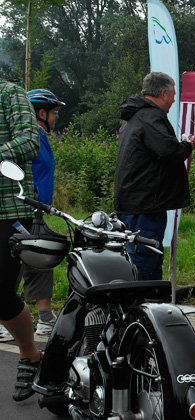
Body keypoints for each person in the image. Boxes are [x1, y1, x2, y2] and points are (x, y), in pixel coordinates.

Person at [114, 72, 195, 280]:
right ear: (163, 93)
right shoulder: (151, 116)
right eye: (172, 95)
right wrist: (187, 145)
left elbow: (157, 149)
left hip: (134, 203)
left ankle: (149, 308)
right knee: (142, 264)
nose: (173, 100)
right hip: (144, 207)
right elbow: (169, 151)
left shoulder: (135, 115)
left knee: (151, 265)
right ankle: (133, 309)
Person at [0, 77, 43, 401]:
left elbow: (30, 141)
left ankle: (30, 354)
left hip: (9, 211)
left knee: (0, 293)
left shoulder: (9, 93)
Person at [20, 89, 64, 337]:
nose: (56, 117)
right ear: (41, 113)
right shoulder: (29, 139)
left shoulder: (41, 137)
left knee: (39, 257)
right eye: (54, 112)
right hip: (22, 209)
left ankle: (45, 317)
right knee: (16, 260)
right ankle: (6, 319)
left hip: (36, 210)